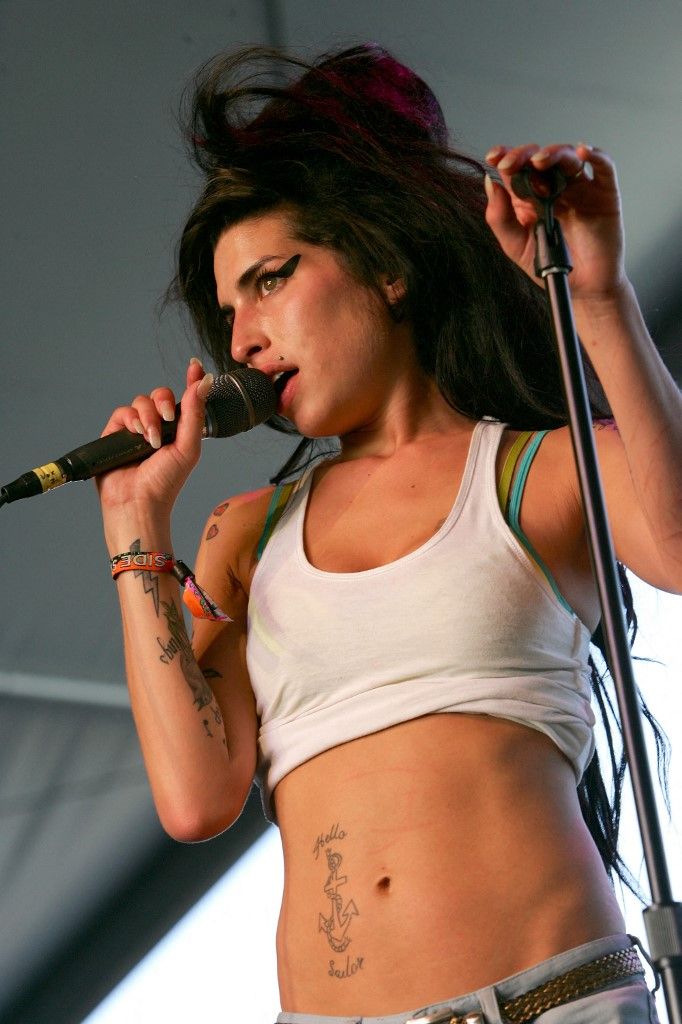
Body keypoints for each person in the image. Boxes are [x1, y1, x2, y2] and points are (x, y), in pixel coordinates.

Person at [97, 44, 681, 1024]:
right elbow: (196, 800)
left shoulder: (533, 470)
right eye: (229, 311)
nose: (241, 339)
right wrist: (132, 526)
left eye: (270, 281)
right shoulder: (246, 535)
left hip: (551, 1003)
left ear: (387, 267)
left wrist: (596, 297)